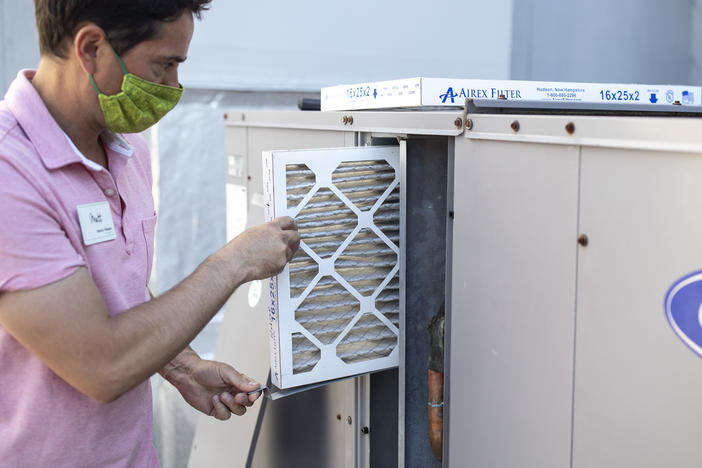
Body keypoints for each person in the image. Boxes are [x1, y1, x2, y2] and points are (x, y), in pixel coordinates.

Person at [0, 1, 300, 466]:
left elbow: (115, 288)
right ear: (91, 47)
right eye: (164, 65)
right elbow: (102, 365)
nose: (174, 86)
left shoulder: (125, 149)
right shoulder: (10, 175)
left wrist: (180, 365)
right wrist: (235, 261)